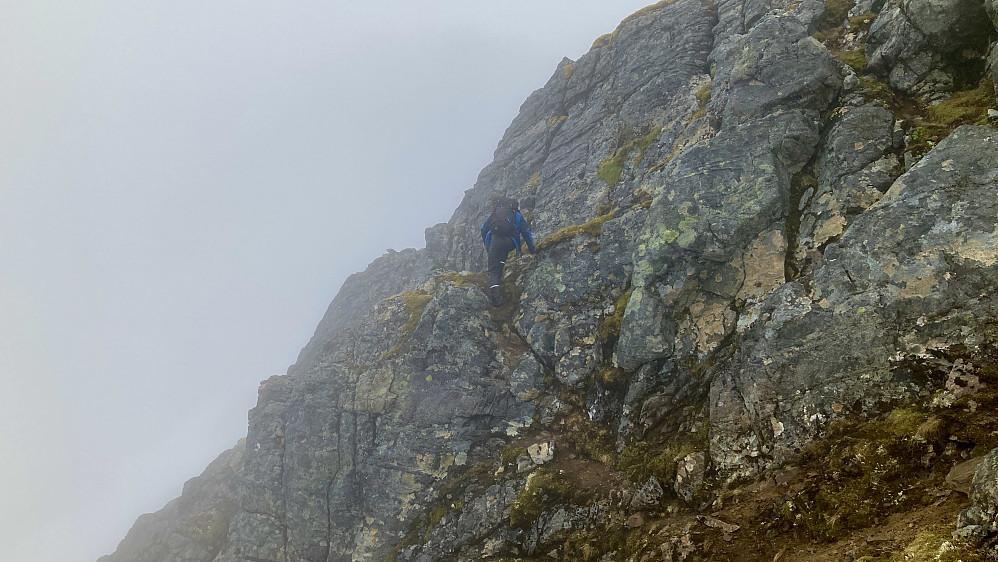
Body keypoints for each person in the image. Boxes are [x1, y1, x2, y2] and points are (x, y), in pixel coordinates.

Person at [480, 197, 536, 307]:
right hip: (510, 243)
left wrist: (484, 242)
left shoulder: (495, 214)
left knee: (492, 270)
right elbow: (526, 233)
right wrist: (532, 251)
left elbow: (483, 228)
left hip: (495, 241)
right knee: (501, 261)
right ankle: (500, 281)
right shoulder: (517, 215)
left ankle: (497, 299)